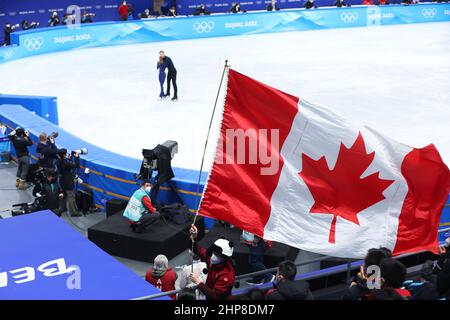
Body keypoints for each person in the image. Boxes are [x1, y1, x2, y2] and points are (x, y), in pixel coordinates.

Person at [189, 224, 236, 300]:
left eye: (217, 254)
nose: (213, 256)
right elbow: (197, 249)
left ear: (225, 257)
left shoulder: (227, 275)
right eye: (213, 252)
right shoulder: (211, 257)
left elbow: (215, 296)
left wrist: (198, 282)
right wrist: (193, 237)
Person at [57, 149, 82, 217]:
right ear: (64, 155)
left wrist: (69, 160)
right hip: (68, 181)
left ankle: (62, 208)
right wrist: (77, 157)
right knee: (71, 197)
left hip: (62, 181)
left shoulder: (58, 161)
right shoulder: (65, 162)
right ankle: (73, 212)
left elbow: (67, 166)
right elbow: (75, 165)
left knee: (63, 195)